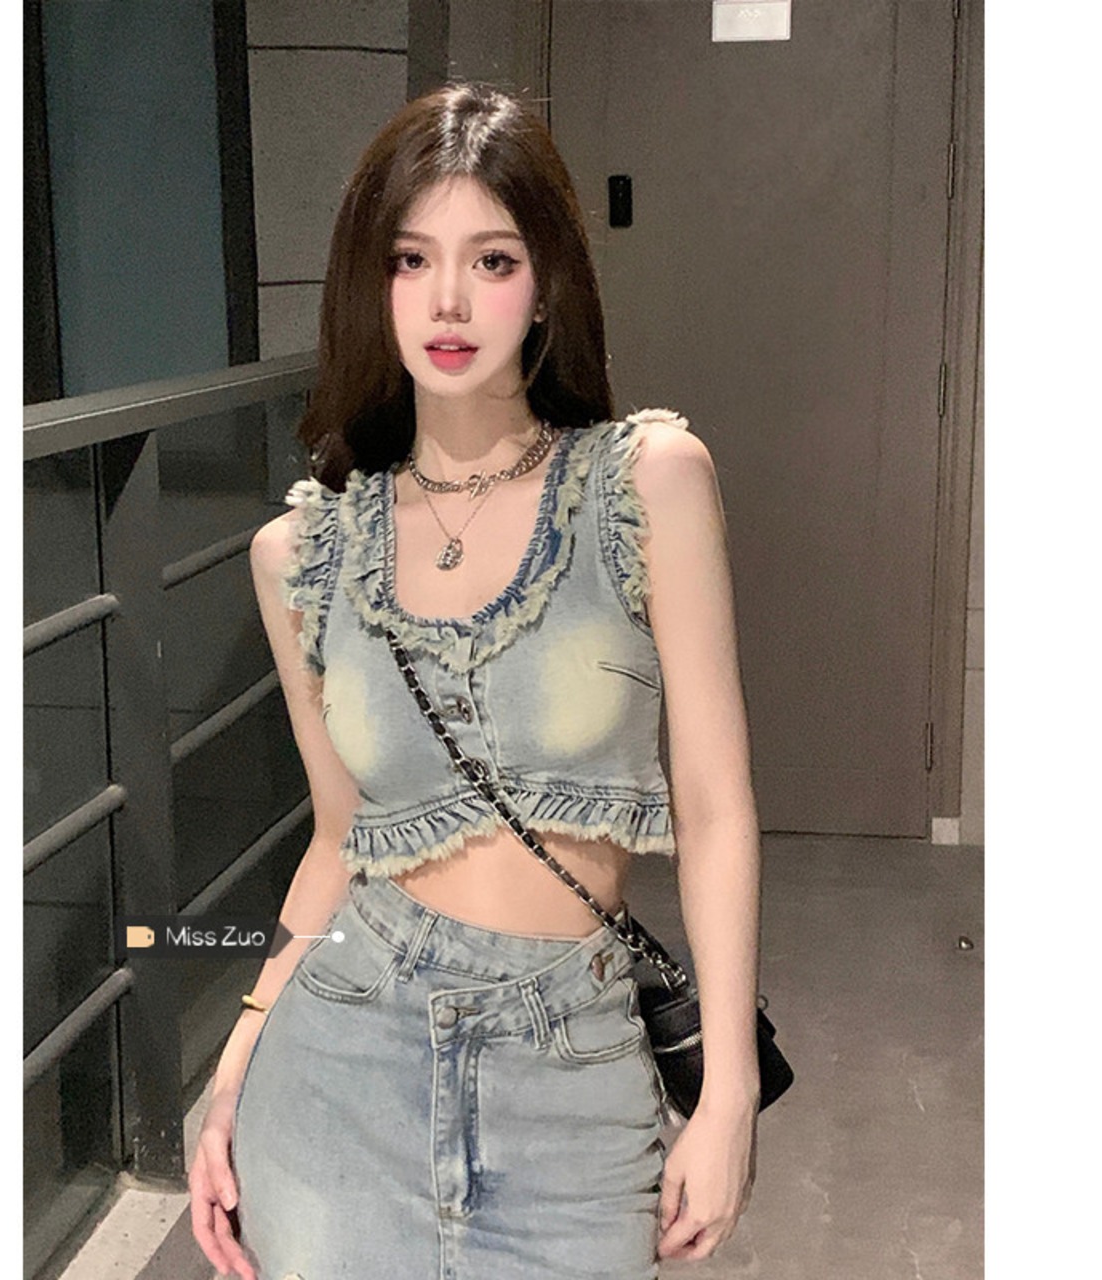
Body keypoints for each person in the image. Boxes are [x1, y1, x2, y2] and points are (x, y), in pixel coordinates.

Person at [189, 82, 762, 1280]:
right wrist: (235, 1063)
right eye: (411, 259)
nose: (446, 300)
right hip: (340, 1065)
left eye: (490, 259)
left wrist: (726, 1097)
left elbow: (712, 808)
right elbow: (339, 835)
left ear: (544, 283)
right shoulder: (301, 553)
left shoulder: (645, 483)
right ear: (372, 283)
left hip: (571, 1076)